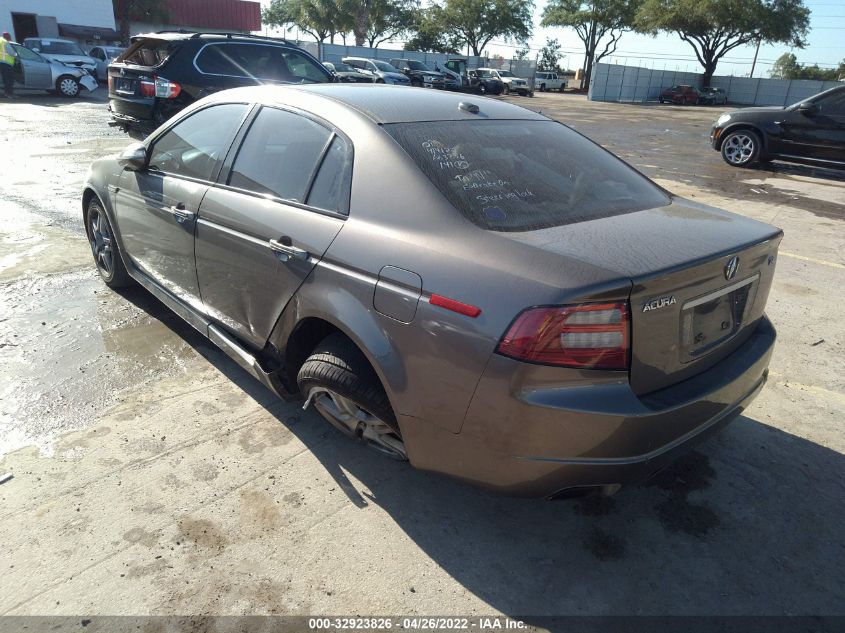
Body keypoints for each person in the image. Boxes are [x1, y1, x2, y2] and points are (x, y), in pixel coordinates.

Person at [0, 31, 16, 99]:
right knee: (9, 80)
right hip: (7, 63)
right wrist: (16, 55)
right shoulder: (6, 42)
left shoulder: (1, 40)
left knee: (5, 79)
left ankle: (7, 93)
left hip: (1, 63)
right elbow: (12, 53)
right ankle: (9, 94)